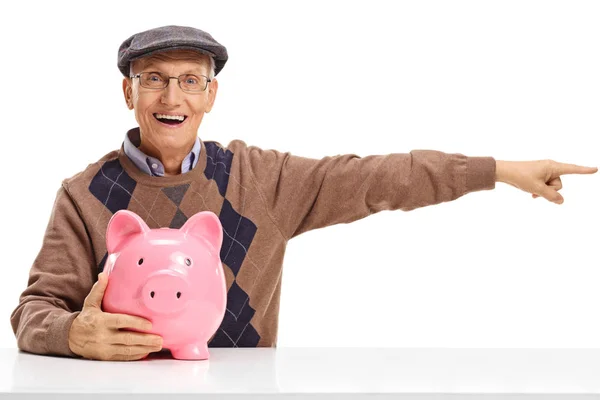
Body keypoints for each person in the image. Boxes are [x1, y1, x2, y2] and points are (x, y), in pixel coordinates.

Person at [10, 25, 597, 361]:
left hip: (241, 391)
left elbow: (381, 178)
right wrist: (71, 334)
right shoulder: (84, 194)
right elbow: (33, 312)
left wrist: (498, 170)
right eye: (155, 80)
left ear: (211, 95)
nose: (172, 98)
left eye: (190, 81)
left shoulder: (261, 179)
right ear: (127, 91)